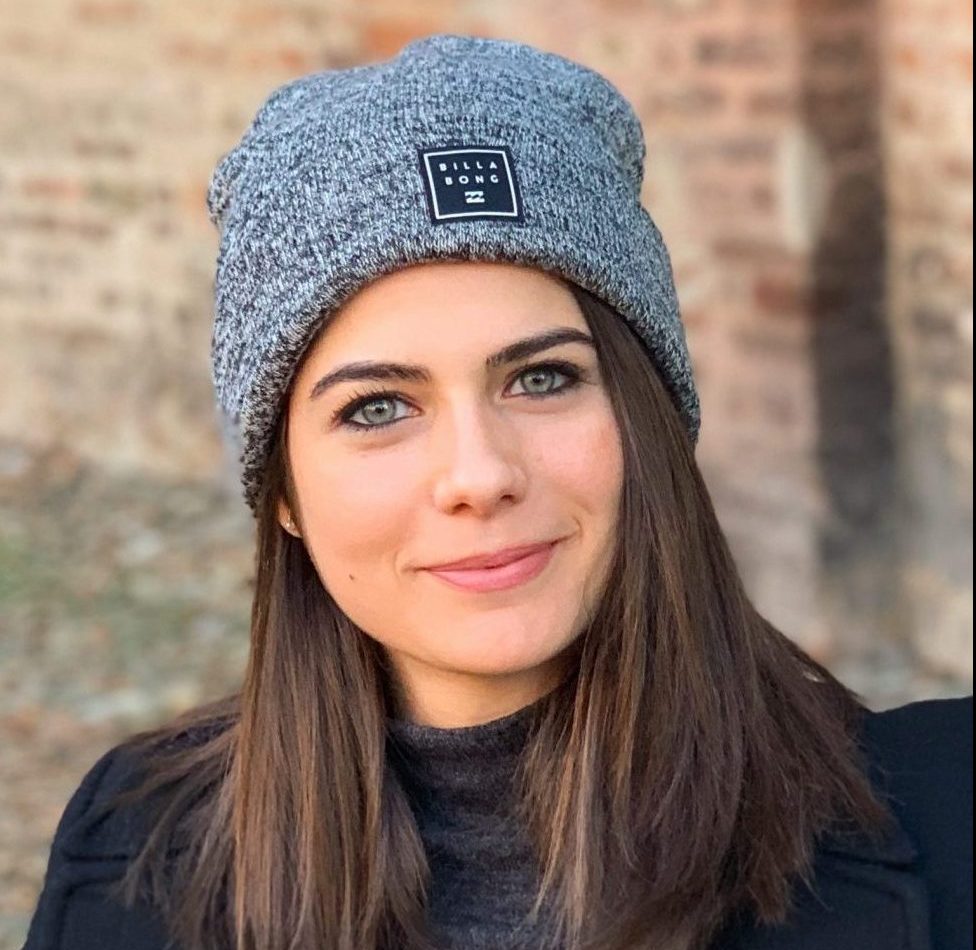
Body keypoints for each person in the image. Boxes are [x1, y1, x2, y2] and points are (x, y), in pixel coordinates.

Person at [22, 32, 971, 950]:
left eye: (542, 379)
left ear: (646, 416)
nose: (479, 475)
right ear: (285, 494)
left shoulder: (947, 815)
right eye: (377, 408)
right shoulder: (130, 865)